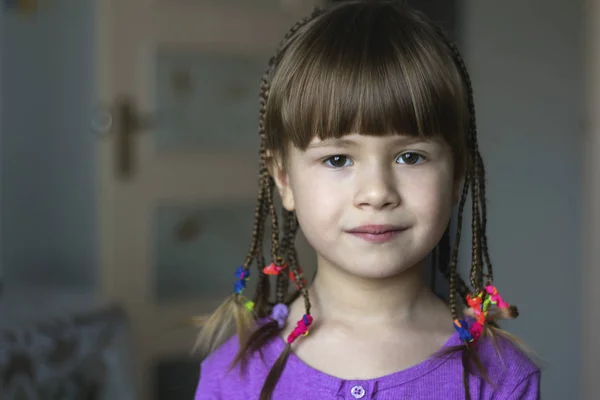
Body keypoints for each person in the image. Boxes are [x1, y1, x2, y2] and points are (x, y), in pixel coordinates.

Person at [194, 1, 540, 399]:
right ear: (284, 179)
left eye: (410, 156)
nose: (377, 193)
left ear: (457, 174)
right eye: (337, 159)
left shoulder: (500, 377)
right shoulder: (234, 374)